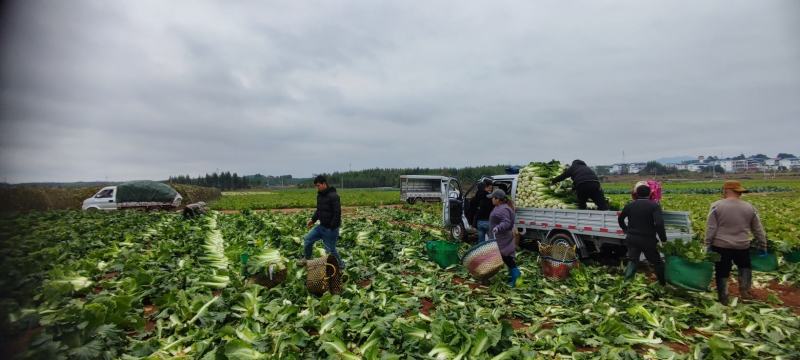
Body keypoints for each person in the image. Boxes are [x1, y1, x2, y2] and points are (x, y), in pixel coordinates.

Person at [705, 180, 767, 305]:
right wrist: (763, 244)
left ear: (726, 191)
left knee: (722, 270)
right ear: (738, 192)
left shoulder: (716, 206)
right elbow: (758, 229)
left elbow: (711, 228)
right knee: (744, 267)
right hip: (742, 245)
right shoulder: (749, 207)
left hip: (721, 245)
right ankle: (745, 292)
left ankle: (723, 297)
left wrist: (707, 244)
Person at [617, 185, 667, 286]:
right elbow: (659, 224)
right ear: (650, 194)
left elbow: (620, 219)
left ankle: (626, 284)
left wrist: (626, 230)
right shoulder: (654, 206)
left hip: (632, 238)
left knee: (633, 260)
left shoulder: (630, 205)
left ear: (636, 194)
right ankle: (663, 284)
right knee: (657, 262)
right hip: (647, 239)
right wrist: (663, 239)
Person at [302, 175, 344, 267]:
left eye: (318, 185)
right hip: (321, 227)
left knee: (330, 250)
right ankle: (307, 259)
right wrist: (312, 220)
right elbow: (319, 210)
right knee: (308, 240)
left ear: (324, 184)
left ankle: (340, 266)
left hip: (331, 229)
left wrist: (332, 227)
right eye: (316, 186)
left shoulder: (334, 196)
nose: (317, 188)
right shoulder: (320, 196)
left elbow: (337, 213)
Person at [487, 189, 521, 287]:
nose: (491, 200)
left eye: (493, 198)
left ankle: (516, 277)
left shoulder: (502, 209)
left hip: (502, 239)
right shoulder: (501, 207)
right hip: (501, 238)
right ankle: (513, 277)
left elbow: (506, 222)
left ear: (498, 199)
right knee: (506, 258)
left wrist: (497, 228)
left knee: (506, 257)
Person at [474, 178, 494, 243]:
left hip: (479, 222)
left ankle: (482, 252)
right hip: (488, 221)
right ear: (486, 187)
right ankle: (492, 253)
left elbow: (474, 205)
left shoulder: (477, 195)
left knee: (481, 242)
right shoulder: (490, 197)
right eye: (490, 188)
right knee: (491, 242)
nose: (490, 190)